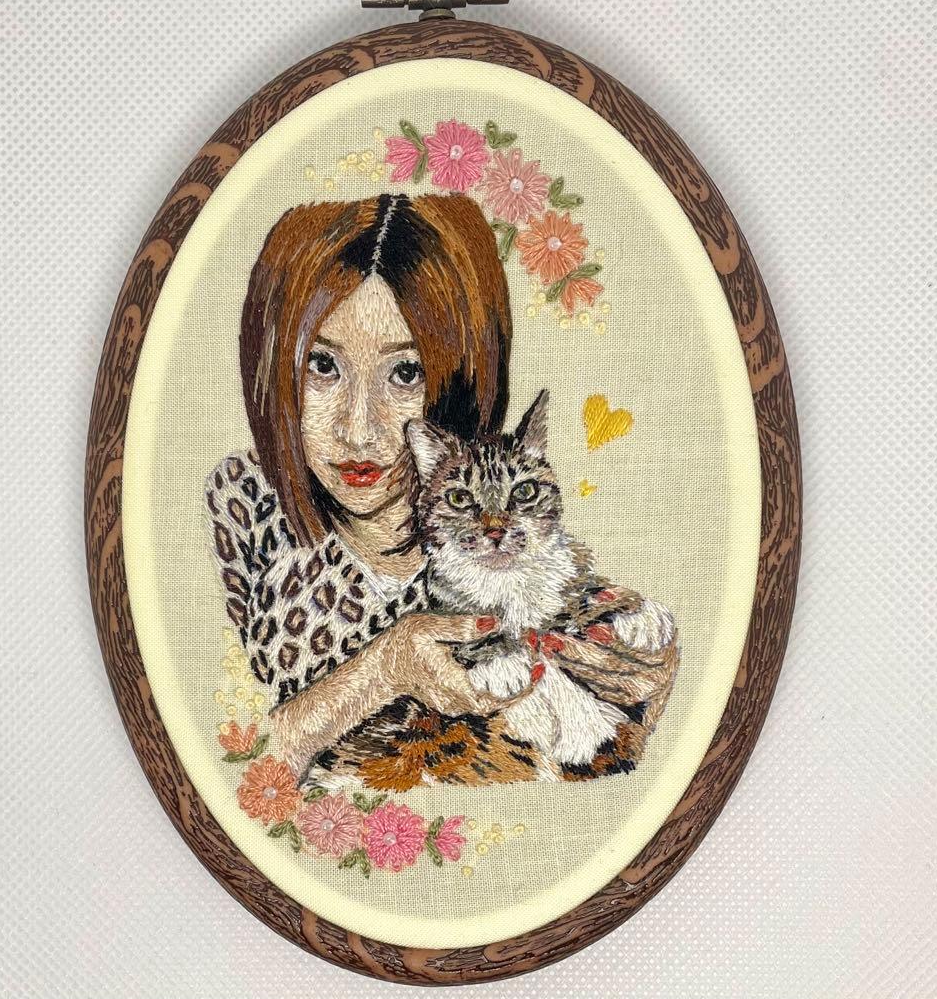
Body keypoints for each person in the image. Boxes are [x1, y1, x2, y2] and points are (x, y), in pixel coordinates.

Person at [206, 192, 677, 783]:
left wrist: (649, 703)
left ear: (462, 376)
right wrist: (382, 670)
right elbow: (224, 770)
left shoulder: (513, 564)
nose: (359, 429)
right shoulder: (244, 500)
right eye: (323, 367)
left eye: (405, 373)